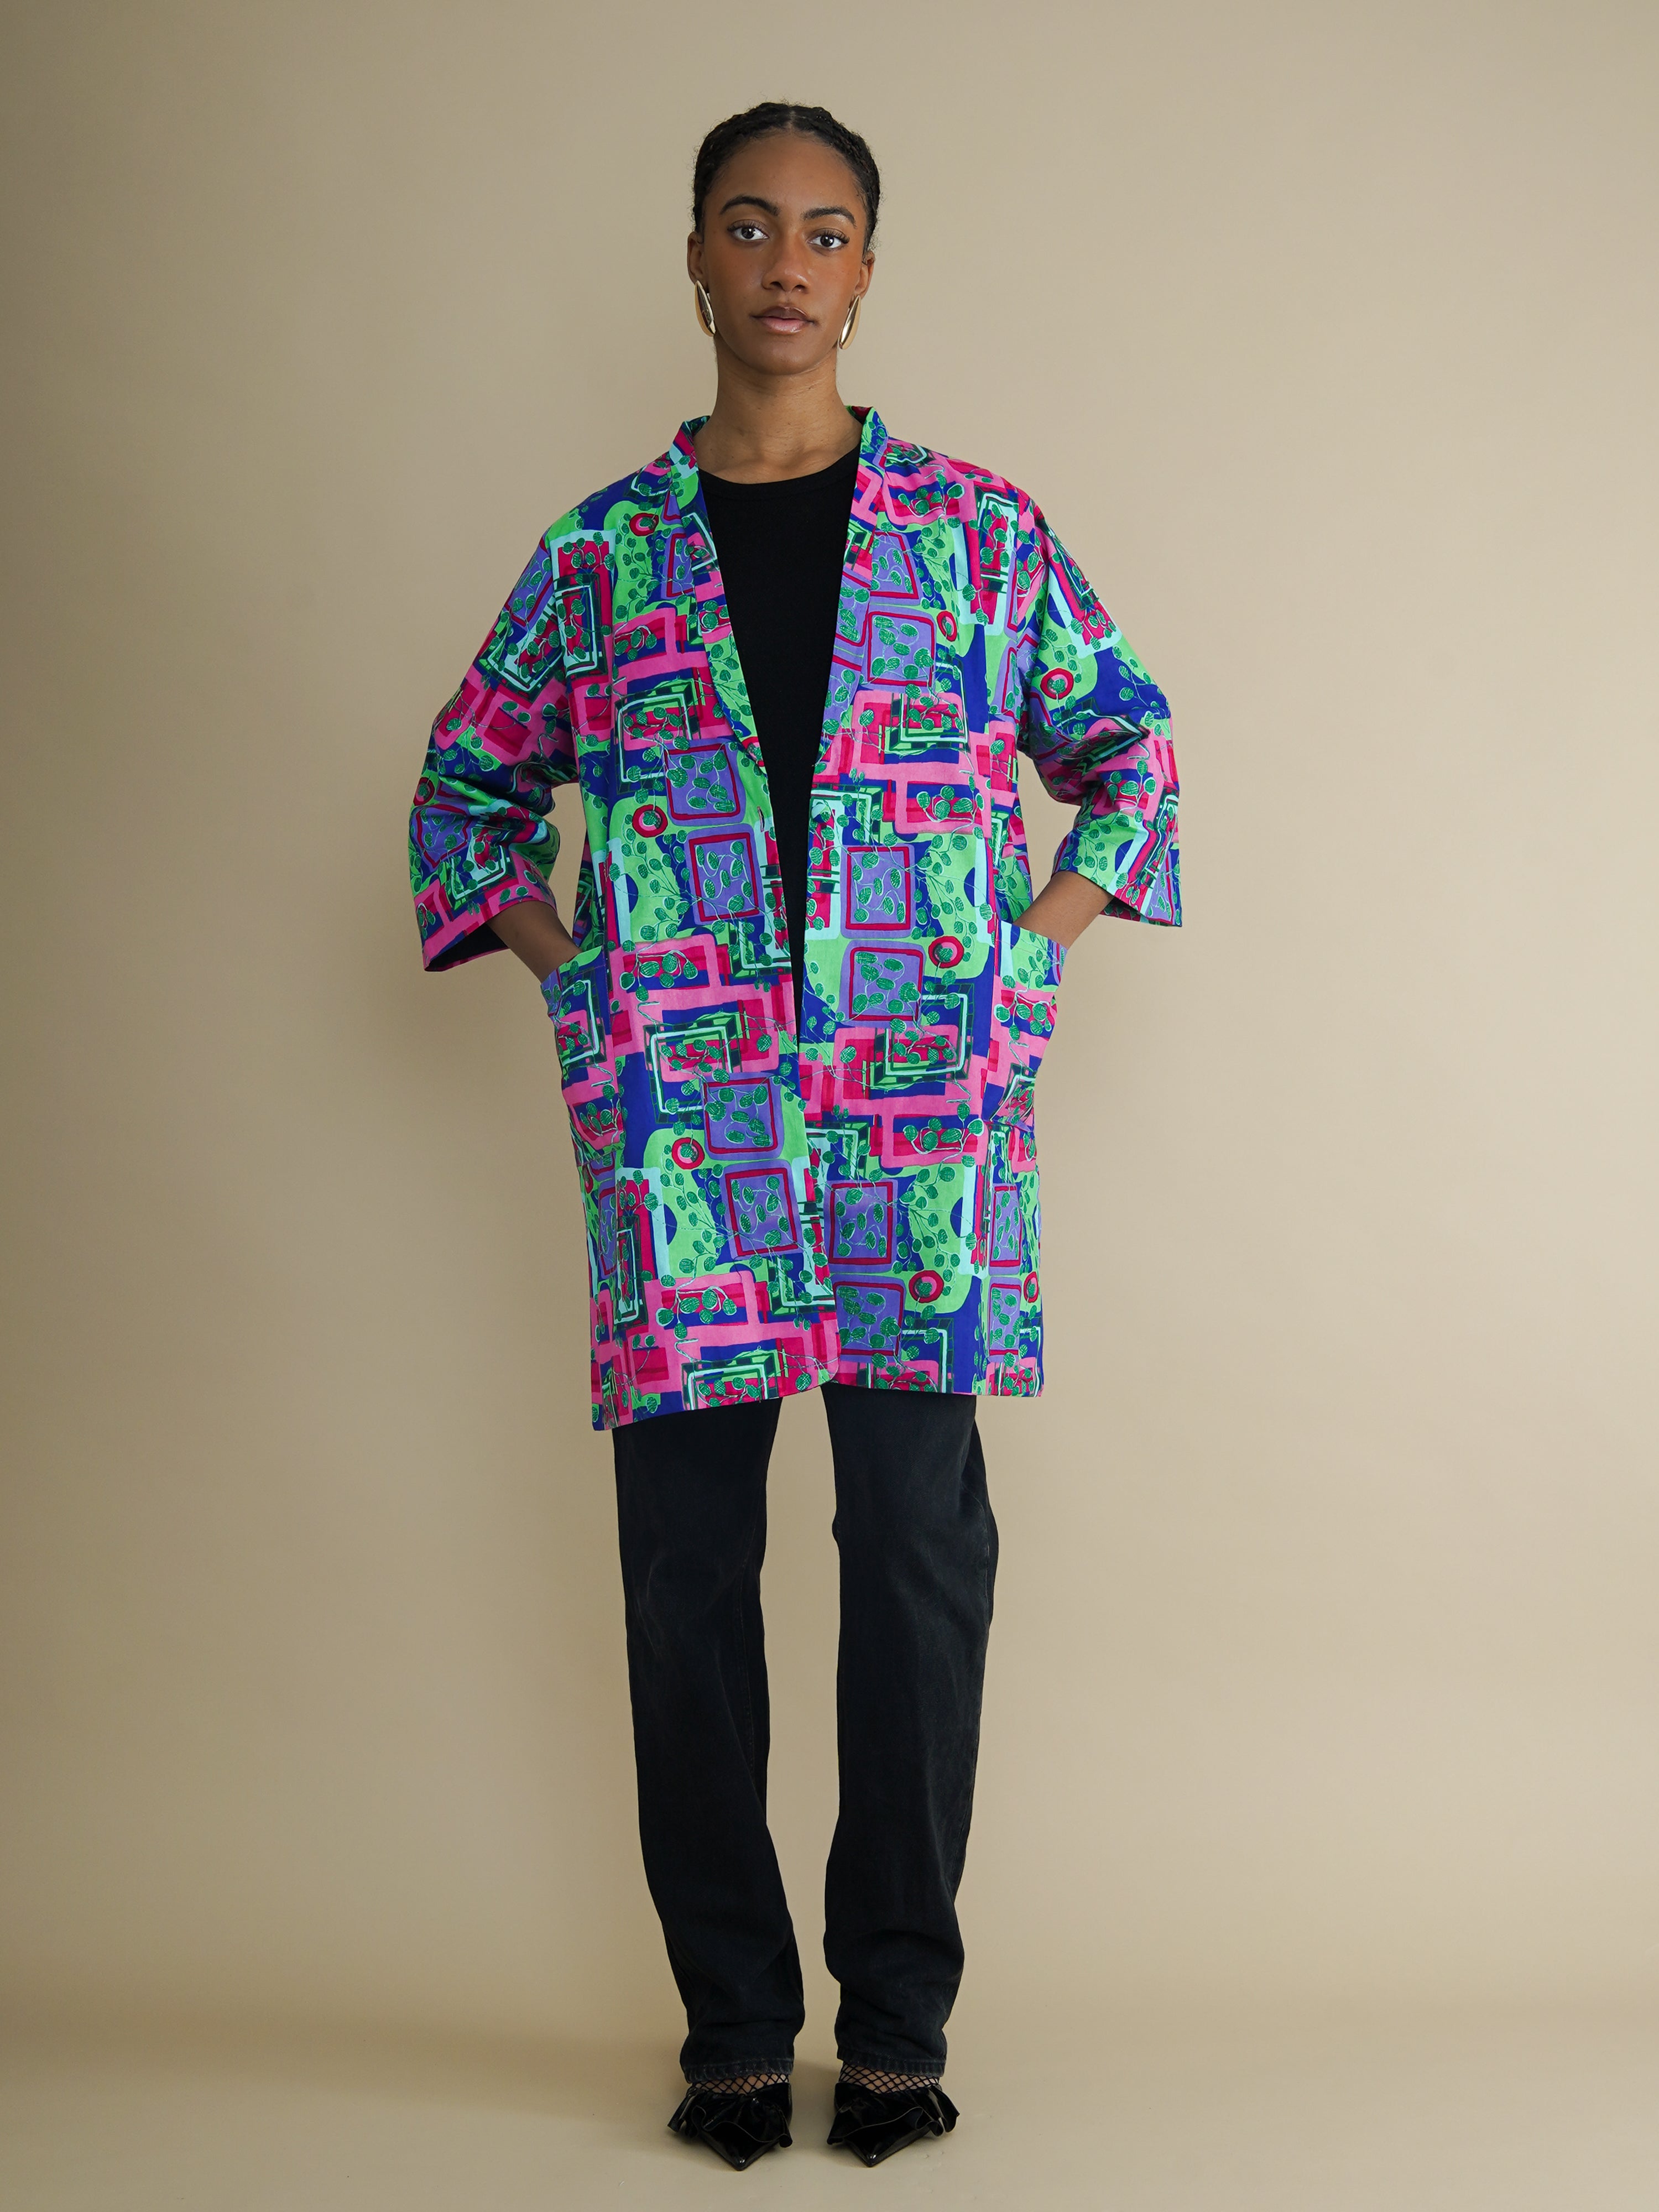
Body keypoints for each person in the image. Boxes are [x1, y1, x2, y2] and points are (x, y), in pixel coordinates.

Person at [407, 100, 1180, 2171]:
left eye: (825, 233)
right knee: (688, 1576)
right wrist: (583, 979)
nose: (785, 264)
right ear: (694, 257)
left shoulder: (977, 535)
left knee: (920, 1561)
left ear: (865, 274)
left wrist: (1021, 959)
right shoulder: (602, 555)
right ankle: (738, 2026)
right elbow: (466, 795)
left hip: (923, 1128)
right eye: (748, 226)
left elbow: (1132, 755)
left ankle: (899, 2024)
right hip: (689, 1137)